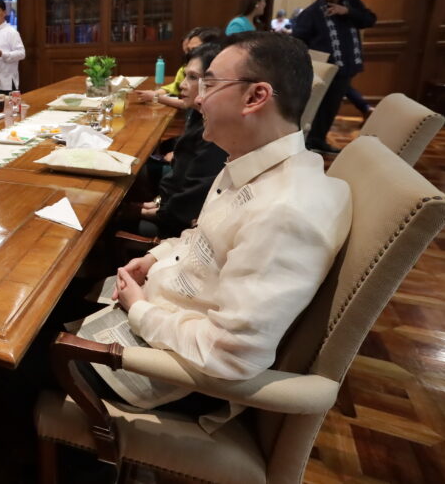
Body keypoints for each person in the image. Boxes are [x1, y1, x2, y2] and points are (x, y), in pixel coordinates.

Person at [92, 32, 351, 412]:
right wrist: (156, 258)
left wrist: (140, 310)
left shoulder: (286, 211)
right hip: (167, 310)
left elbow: (232, 357)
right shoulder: (252, 160)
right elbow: (204, 236)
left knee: (19, 361)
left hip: (181, 376)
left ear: (255, 97)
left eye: (210, 84)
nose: (197, 98)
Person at [128, 43, 227, 239]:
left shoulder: (215, 136)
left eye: (192, 77)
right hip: (169, 208)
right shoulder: (200, 119)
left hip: (177, 233)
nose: (182, 84)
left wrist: (143, 211)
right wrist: (156, 203)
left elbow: (188, 206)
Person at [292, 0, 377, 154]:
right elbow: (298, 39)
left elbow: (370, 19)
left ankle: (317, 139)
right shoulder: (312, 12)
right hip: (324, 66)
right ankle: (313, 139)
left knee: (332, 105)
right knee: (321, 105)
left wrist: (347, 12)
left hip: (346, 64)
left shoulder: (351, 4)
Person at [135, 27, 222, 109]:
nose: (189, 55)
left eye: (194, 50)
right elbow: (176, 87)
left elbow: (185, 103)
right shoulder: (186, 68)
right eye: (187, 51)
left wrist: (156, 97)